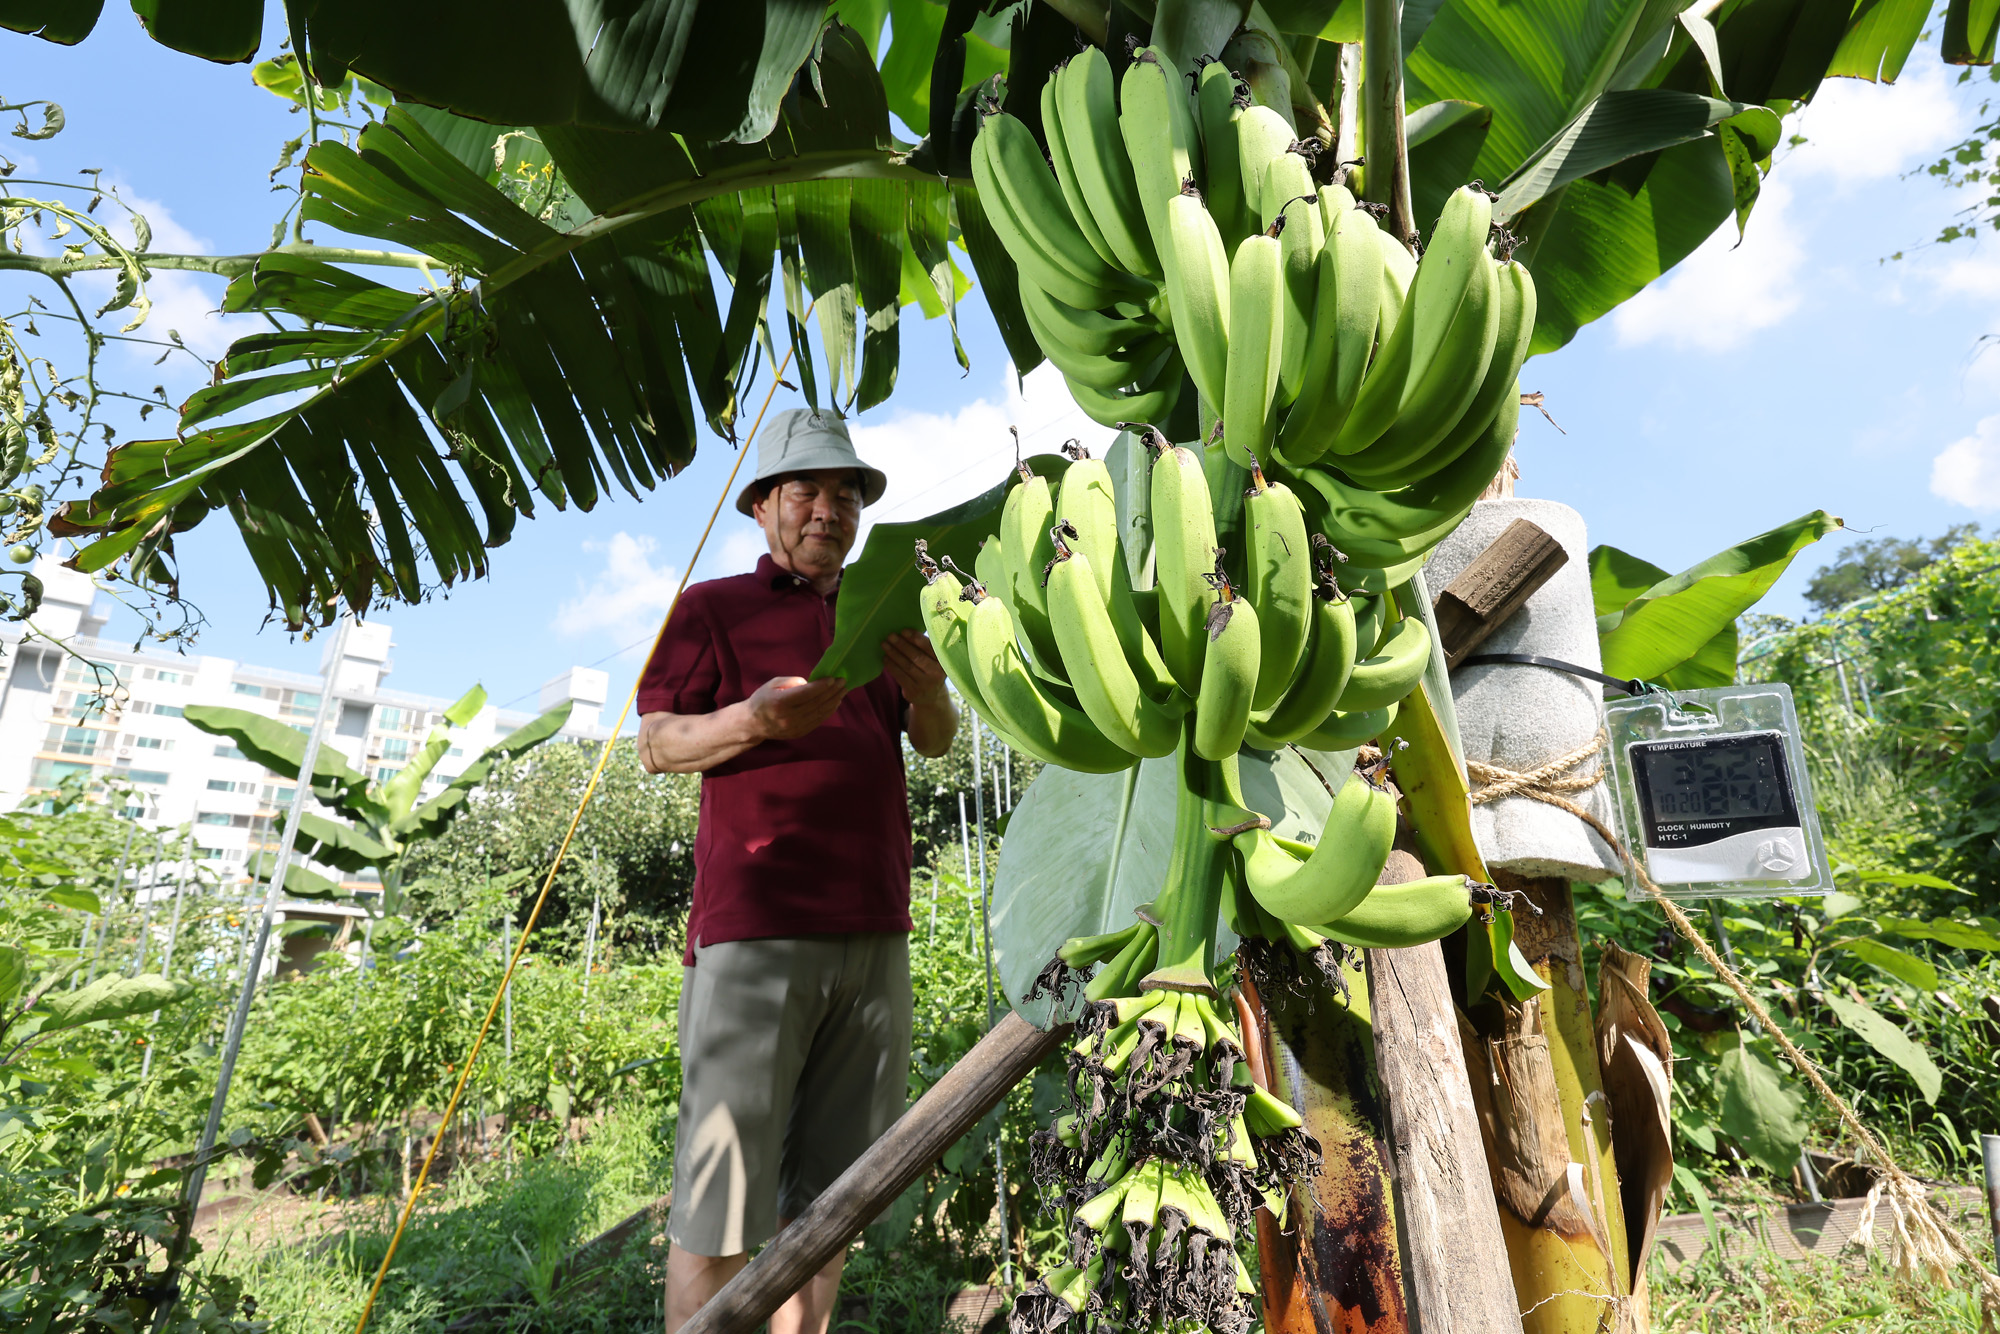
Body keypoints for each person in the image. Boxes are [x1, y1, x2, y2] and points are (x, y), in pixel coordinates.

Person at [636, 408, 958, 1334]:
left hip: (876, 932)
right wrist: (756, 722)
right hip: (755, 932)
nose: (829, 508)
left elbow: (931, 744)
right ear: (763, 505)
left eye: (847, 491)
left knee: (832, 1205)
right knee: (717, 1204)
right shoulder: (710, 610)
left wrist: (932, 689)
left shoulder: (886, 608)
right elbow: (656, 744)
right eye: (807, 489)